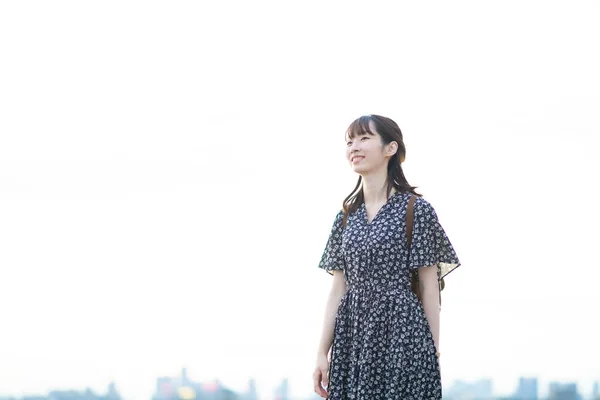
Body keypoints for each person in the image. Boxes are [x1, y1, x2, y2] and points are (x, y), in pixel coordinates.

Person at [312, 114, 461, 399]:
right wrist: (321, 352)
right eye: (349, 141)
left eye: (364, 138)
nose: (354, 147)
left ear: (390, 148)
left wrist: (431, 353)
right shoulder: (344, 218)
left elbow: (430, 287)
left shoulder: (416, 210)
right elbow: (337, 289)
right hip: (352, 335)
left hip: (402, 334)